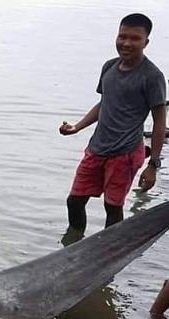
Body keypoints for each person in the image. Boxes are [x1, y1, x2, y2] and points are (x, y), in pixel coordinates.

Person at [59, 13, 166, 232]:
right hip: (97, 148)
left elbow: (159, 123)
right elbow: (104, 103)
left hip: (125, 154)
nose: (126, 43)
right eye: (122, 36)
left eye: (134, 38)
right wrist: (77, 127)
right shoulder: (109, 67)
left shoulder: (152, 76)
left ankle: (109, 254)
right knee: (74, 201)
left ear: (146, 42)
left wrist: (152, 165)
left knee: (113, 206)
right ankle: (73, 249)